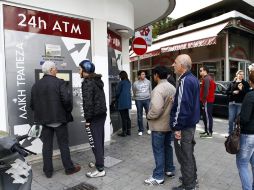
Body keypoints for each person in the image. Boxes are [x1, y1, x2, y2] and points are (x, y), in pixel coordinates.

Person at [30, 61, 80, 178]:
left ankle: (48, 171)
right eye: (55, 68)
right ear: (51, 70)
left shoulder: (35, 85)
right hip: (59, 119)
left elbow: (32, 105)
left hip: (44, 121)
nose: (57, 70)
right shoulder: (60, 83)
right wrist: (67, 111)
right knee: (63, 144)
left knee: (46, 146)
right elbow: (67, 101)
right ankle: (69, 168)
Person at [170, 54, 200, 190]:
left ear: (182, 66)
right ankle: (191, 178)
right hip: (190, 124)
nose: (173, 65)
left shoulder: (185, 81)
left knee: (184, 155)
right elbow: (187, 103)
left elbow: (183, 106)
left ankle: (189, 185)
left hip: (184, 126)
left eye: (175, 63)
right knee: (188, 153)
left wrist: (177, 128)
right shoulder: (192, 79)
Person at [144, 66, 176, 185]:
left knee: (158, 150)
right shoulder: (172, 87)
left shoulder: (158, 89)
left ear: (156, 75)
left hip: (158, 126)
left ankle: (158, 176)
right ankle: (169, 169)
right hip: (169, 124)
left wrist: (148, 116)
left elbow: (156, 109)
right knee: (167, 147)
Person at [79, 59, 107, 178]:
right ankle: (99, 161)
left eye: (80, 69)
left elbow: (88, 103)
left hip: (94, 116)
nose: (78, 71)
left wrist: (88, 120)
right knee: (99, 141)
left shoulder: (87, 82)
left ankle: (100, 169)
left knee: (95, 142)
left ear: (85, 70)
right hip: (101, 114)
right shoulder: (96, 80)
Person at [237, 71, 254, 190]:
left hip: (248, 135)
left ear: (250, 81)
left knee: (242, 163)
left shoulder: (250, 95)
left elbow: (244, 118)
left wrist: (238, 118)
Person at [226, 70, 249, 135]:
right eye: (240, 74)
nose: (241, 75)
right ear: (237, 75)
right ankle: (230, 134)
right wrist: (233, 92)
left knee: (238, 120)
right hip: (232, 103)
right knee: (231, 120)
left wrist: (241, 89)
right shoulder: (232, 83)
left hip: (240, 104)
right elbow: (227, 92)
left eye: (243, 74)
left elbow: (247, 93)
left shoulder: (245, 83)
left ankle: (237, 134)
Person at [132, 70, 152, 136]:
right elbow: (134, 91)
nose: (144, 75)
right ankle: (140, 129)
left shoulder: (148, 82)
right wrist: (136, 97)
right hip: (138, 100)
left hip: (147, 99)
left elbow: (150, 90)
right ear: (139, 75)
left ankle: (149, 128)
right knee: (139, 115)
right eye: (142, 74)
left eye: (144, 74)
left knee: (148, 114)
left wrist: (150, 98)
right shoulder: (135, 83)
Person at [199, 66, 216, 138]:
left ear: (205, 71)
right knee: (205, 116)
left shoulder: (206, 79)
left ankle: (209, 133)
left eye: (201, 70)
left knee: (208, 116)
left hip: (207, 101)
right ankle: (206, 131)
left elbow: (206, 91)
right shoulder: (208, 78)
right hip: (208, 100)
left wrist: (203, 100)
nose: (200, 72)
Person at [116, 71, 132, 137]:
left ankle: (124, 132)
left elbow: (118, 93)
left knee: (123, 118)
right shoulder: (128, 82)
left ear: (121, 76)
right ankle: (128, 131)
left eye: (119, 75)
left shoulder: (121, 83)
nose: (119, 77)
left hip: (122, 102)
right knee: (127, 117)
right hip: (127, 101)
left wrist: (116, 98)